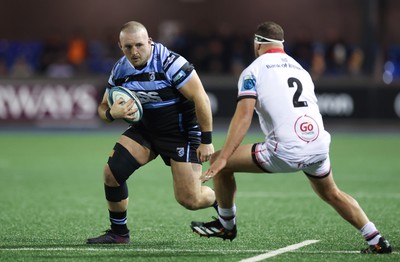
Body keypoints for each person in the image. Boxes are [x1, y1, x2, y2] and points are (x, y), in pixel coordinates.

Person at [190, 21, 392, 254]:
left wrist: (224, 156)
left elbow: (244, 117)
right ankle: (375, 239)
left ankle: (226, 225)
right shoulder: (300, 69)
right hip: (318, 145)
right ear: (281, 45)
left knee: (220, 164)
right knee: (332, 193)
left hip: (285, 150)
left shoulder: (254, 70)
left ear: (257, 44)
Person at [87, 21, 216, 244]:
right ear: (120, 46)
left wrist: (206, 140)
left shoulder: (170, 63)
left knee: (190, 200)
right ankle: (119, 234)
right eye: (128, 47)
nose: (134, 52)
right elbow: (102, 108)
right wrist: (111, 113)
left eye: (139, 45)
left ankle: (221, 197)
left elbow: (200, 98)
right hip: (145, 130)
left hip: (181, 133)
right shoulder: (120, 68)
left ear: (150, 41)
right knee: (112, 174)